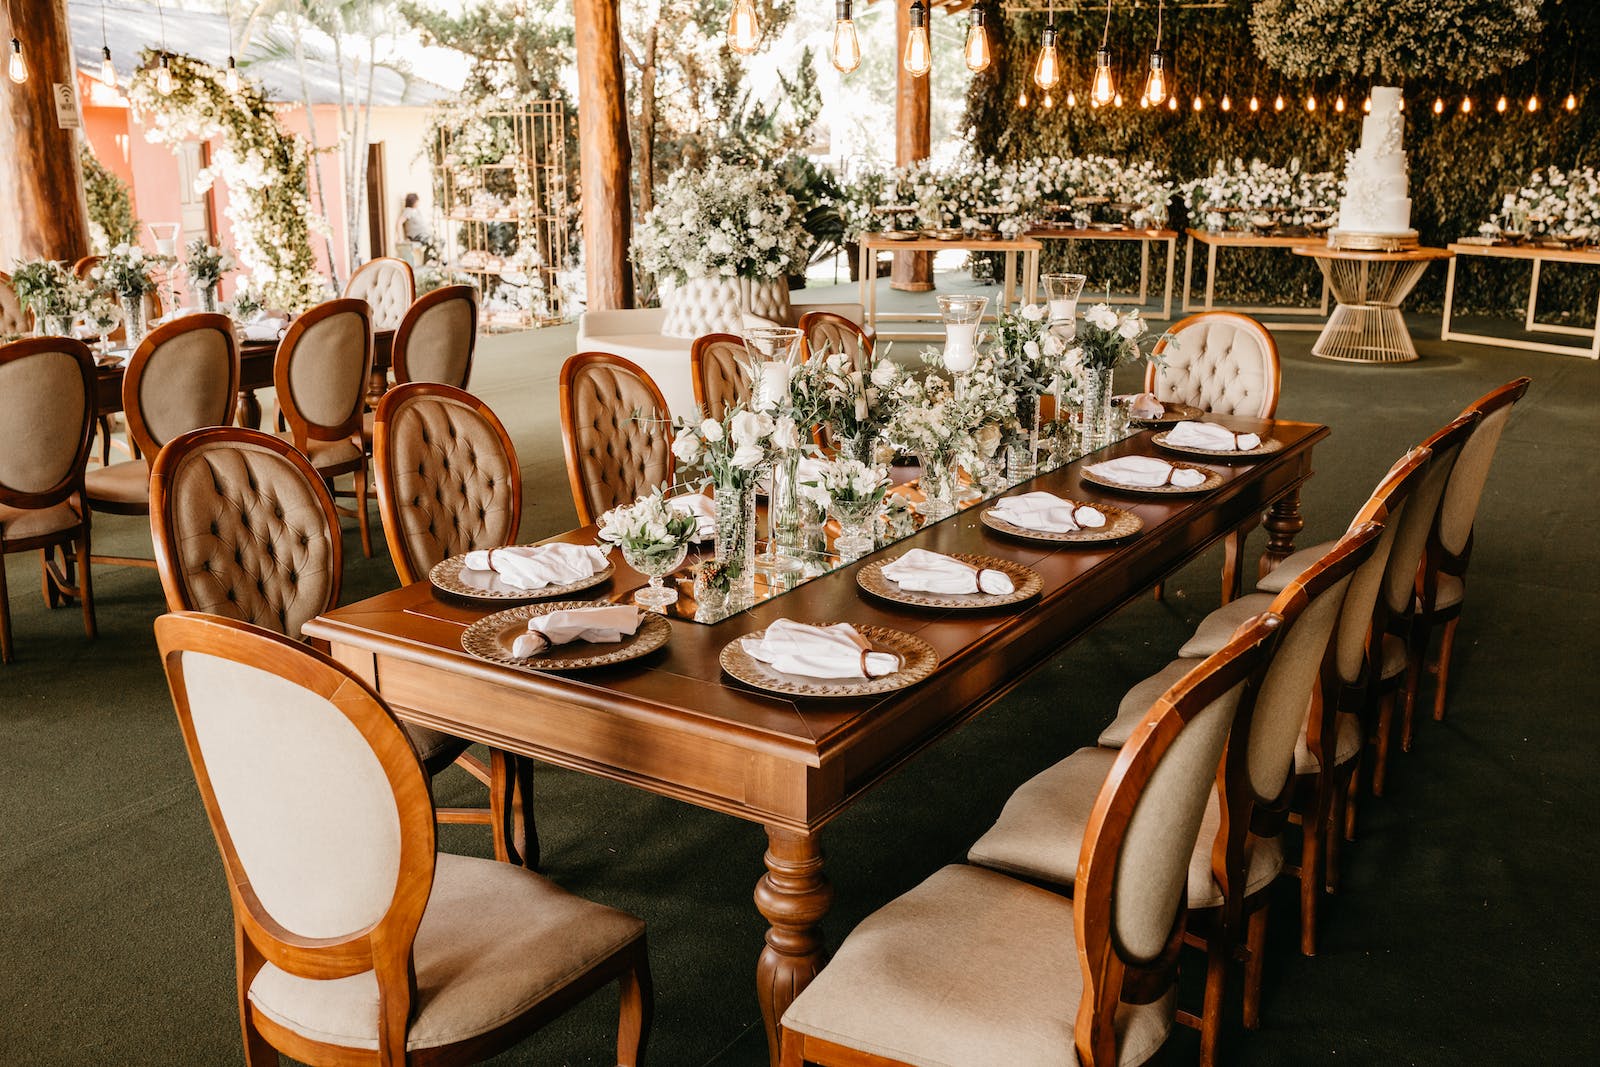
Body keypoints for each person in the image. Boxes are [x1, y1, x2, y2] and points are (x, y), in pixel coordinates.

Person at [396, 193, 437, 265]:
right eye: (417, 201)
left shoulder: (417, 210)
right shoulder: (408, 211)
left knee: (438, 241)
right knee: (430, 241)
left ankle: (430, 260)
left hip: (423, 235)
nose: (418, 202)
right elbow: (399, 222)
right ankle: (428, 261)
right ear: (413, 201)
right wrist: (400, 238)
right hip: (415, 236)